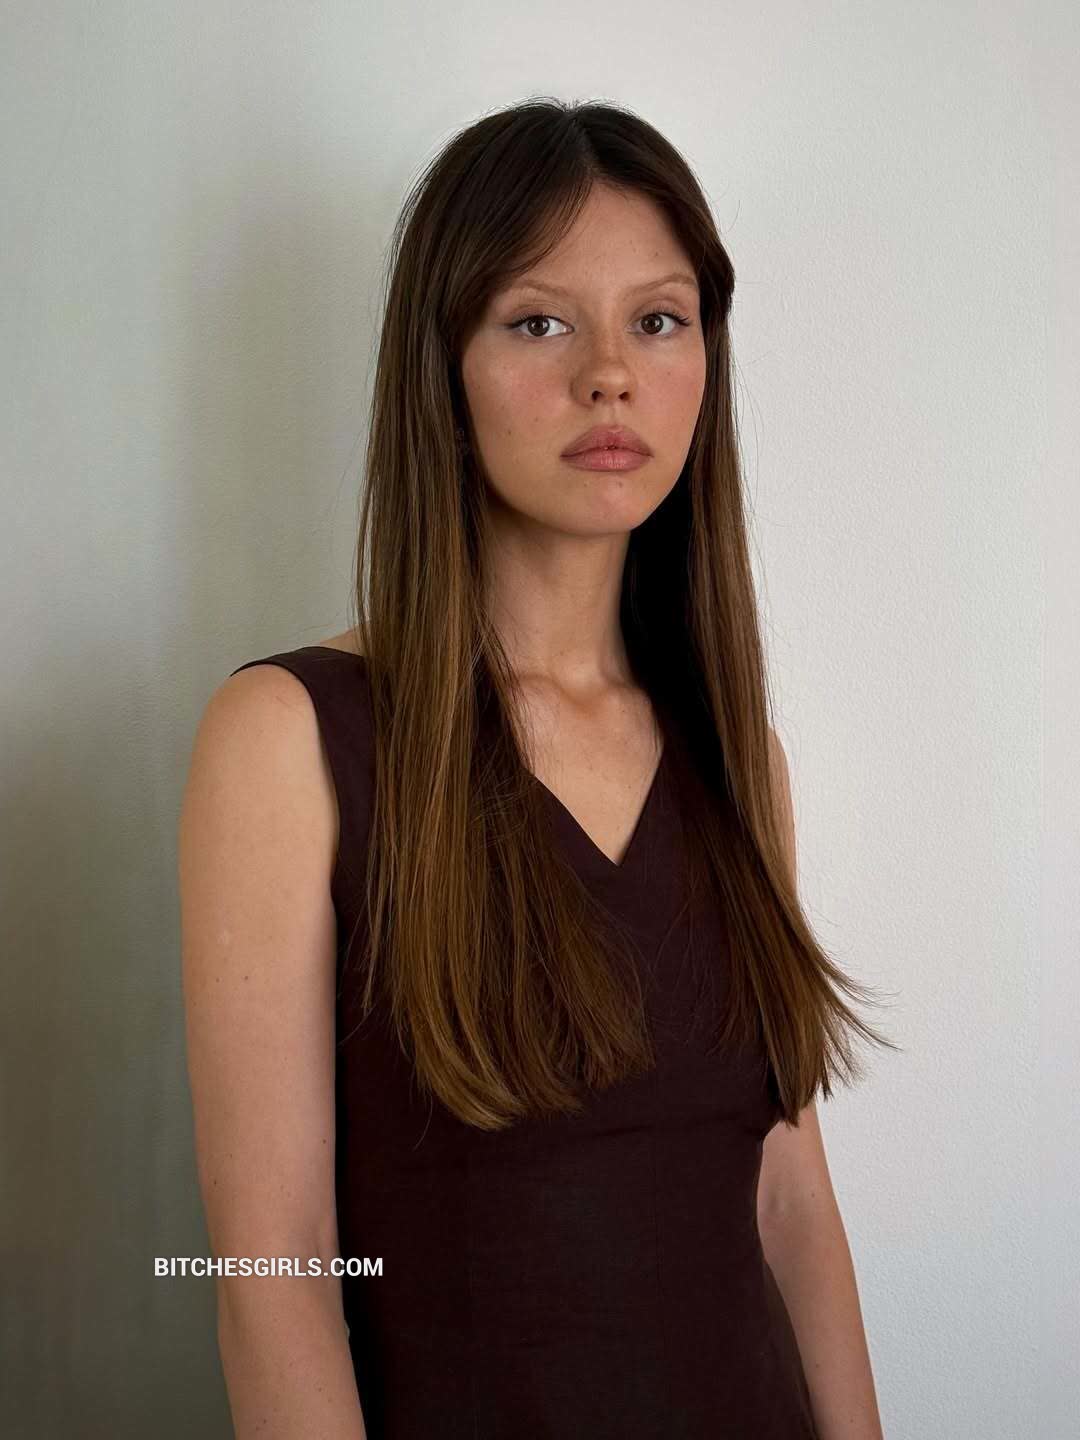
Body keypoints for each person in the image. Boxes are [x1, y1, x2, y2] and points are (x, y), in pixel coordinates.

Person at [179, 96, 894, 1439]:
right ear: (440, 367)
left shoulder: (740, 760)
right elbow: (274, 1265)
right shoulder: (288, 739)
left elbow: (792, 1203)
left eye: (659, 320)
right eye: (539, 322)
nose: (610, 374)